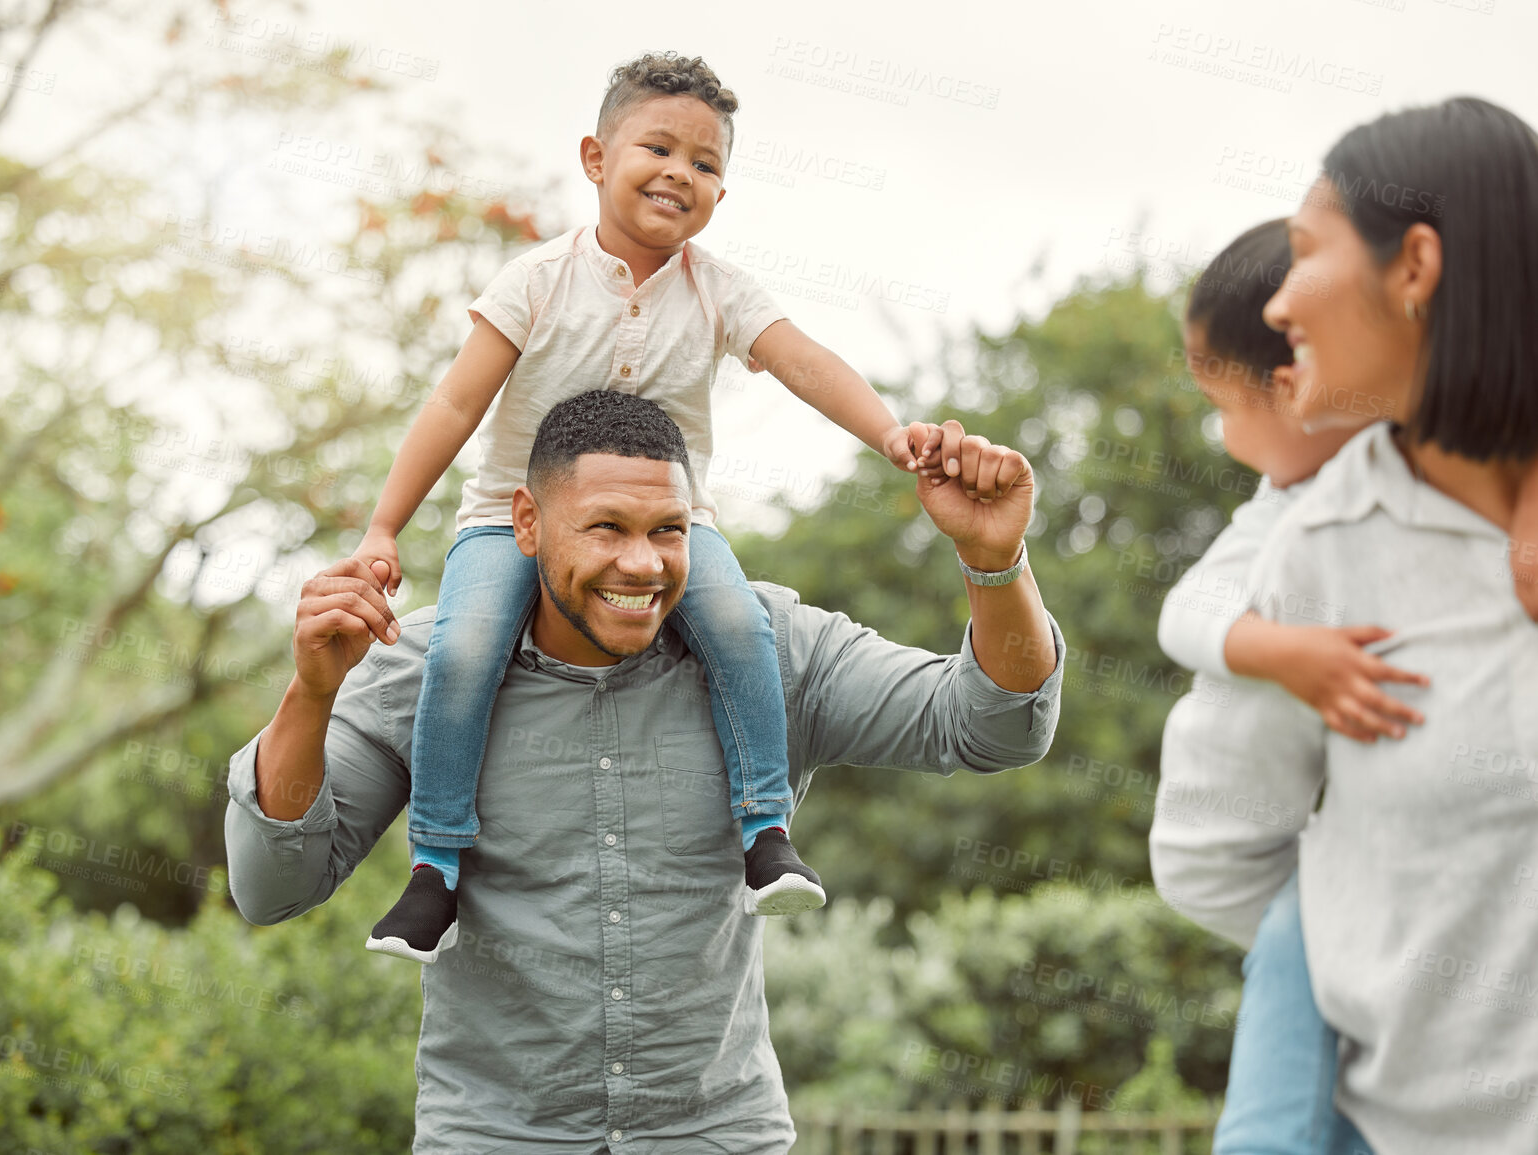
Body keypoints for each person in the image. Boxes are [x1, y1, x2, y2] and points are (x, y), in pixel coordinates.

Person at [224, 389, 1063, 1152]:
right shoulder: (424, 671)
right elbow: (274, 885)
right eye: (605, 528)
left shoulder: (770, 651)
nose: (643, 563)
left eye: (668, 529)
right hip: (495, 1135)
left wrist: (994, 563)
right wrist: (309, 693)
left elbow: (989, 726)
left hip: (717, 1132)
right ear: (525, 522)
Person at [346, 52, 923, 961]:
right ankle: (436, 868)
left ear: (721, 193)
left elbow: (803, 360)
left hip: (668, 525)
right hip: (510, 517)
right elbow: (455, 405)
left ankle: (764, 830)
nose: (678, 173)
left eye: (704, 164)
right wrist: (383, 527)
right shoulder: (536, 281)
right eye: (656, 146)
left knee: (737, 621)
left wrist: (891, 435)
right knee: (460, 652)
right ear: (594, 158)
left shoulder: (719, 291)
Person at [1152, 96, 1538, 1154]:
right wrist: (1386, 935)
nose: (1279, 303)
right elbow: (1211, 852)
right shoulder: (1315, 545)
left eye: (1306, 253)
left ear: (1415, 268)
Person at [1153, 220, 1429, 1154]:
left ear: (1292, 387)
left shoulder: (1413, 487)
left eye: (1223, 408)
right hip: (1236, 852)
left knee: (1345, 1068)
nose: (1224, 440)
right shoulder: (1283, 509)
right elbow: (1183, 614)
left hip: (1317, 861)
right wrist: (1282, 652)